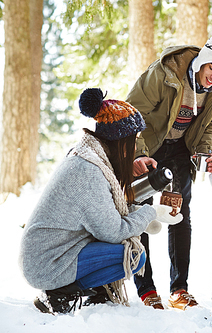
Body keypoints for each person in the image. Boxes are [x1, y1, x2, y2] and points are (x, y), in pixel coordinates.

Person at [19, 88, 175, 314]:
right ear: (121, 141)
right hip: (46, 264)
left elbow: (103, 212)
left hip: (46, 255)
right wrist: (151, 212)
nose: (135, 146)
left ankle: (84, 290)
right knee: (134, 255)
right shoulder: (88, 172)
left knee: (124, 249)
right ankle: (58, 294)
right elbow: (113, 231)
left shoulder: (86, 157)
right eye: (134, 140)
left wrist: (127, 174)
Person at [126, 26, 212, 310]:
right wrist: (138, 154)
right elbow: (133, 110)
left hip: (180, 150)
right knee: (143, 212)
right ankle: (146, 287)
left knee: (179, 213)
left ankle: (179, 289)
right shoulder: (165, 72)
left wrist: (205, 152)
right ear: (203, 59)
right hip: (149, 145)